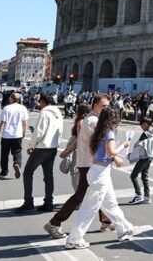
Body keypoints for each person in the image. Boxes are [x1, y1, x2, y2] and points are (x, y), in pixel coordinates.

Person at [65, 108, 135, 249]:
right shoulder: (108, 132)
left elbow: (94, 153)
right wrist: (123, 145)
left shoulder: (98, 132)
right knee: (89, 207)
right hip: (100, 173)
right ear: (113, 119)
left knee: (110, 203)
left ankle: (123, 228)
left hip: (97, 170)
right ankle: (74, 238)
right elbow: (111, 152)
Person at [45, 94, 112, 239]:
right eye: (104, 106)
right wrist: (113, 154)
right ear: (95, 105)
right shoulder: (93, 121)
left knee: (104, 193)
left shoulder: (91, 119)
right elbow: (99, 144)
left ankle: (107, 221)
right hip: (90, 164)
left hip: (91, 163)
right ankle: (55, 222)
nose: (107, 109)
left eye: (108, 106)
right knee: (81, 196)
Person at [17, 94, 63, 212]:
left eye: (39, 102)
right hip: (53, 147)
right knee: (48, 175)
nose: (39, 104)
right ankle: (48, 202)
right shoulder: (58, 113)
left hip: (42, 147)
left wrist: (31, 146)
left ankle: (28, 202)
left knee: (28, 172)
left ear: (43, 102)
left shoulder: (44, 113)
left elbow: (38, 132)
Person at [0, 92, 28, 179]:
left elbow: (2, 122)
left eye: (10, 97)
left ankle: (4, 172)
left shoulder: (6, 108)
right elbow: (25, 122)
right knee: (17, 151)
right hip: (17, 134)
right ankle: (17, 164)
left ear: (12, 98)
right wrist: (24, 132)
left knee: (4, 154)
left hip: (6, 135)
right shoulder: (23, 108)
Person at [128, 117, 153, 204]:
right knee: (144, 176)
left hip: (144, 158)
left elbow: (138, 145)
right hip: (149, 157)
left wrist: (131, 154)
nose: (141, 127)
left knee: (133, 176)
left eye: (141, 125)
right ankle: (147, 197)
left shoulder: (145, 134)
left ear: (145, 124)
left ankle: (139, 195)